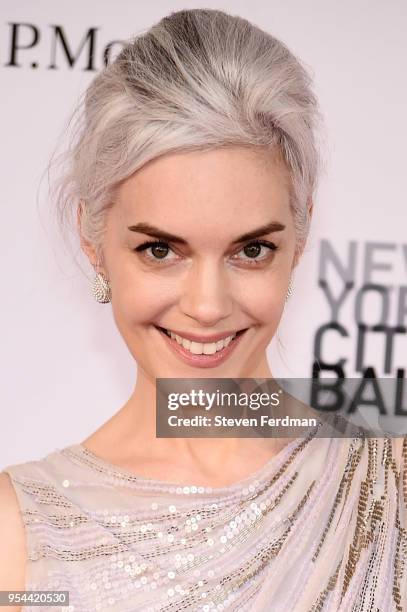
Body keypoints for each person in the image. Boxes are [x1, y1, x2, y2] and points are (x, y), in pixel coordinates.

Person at [1, 8, 406, 611]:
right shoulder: (20, 536)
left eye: (252, 250)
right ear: (92, 241)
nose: (208, 306)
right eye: (160, 250)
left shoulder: (391, 478)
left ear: (300, 236)